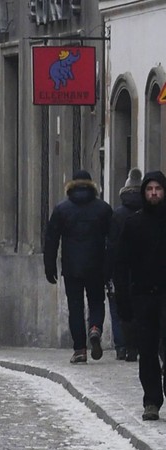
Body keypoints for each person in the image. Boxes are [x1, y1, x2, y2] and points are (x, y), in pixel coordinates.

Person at [44, 170, 113, 364]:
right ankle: (95, 329)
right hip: (97, 266)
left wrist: (50, 266)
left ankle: (80, 350)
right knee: (97, 302)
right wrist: (110, 266)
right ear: (92, 185)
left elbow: (51, 239)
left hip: (72, 267)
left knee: (75, 307)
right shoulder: (103, 209)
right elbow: (114, 240)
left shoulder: (61, 209)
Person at [114, 171, 166, 422]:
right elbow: (121, 264)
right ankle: (152, 400)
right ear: (144, 193)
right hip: (143, 295)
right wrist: (123, 300)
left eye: (158, 189)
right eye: (150, 189)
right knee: (146, 351)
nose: (154, 193)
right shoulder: (133, 224)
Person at [106, 168, 143, 362]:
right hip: (145, 267)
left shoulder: (118, 214)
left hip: (122, 268)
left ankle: (123, 346)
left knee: (121, 307)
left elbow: (111, 245)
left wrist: (108, 272)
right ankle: (141, 344)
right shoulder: (150, 212)